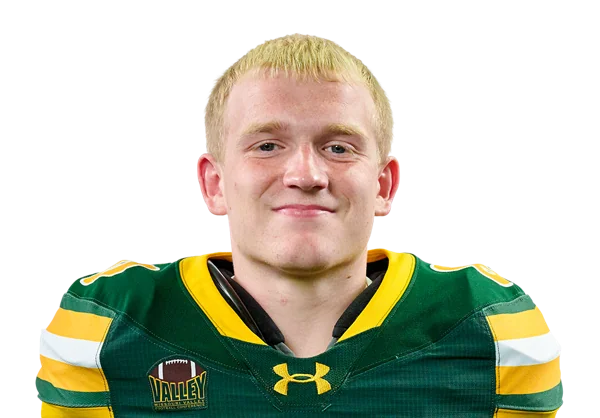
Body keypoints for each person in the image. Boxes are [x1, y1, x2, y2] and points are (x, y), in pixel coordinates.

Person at [35, 33, 563, 416]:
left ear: (384, 185)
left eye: (339, 147)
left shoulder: (490, 327)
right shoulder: (110, 324)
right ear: (214, 183)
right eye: (268, 145)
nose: (306, 175)